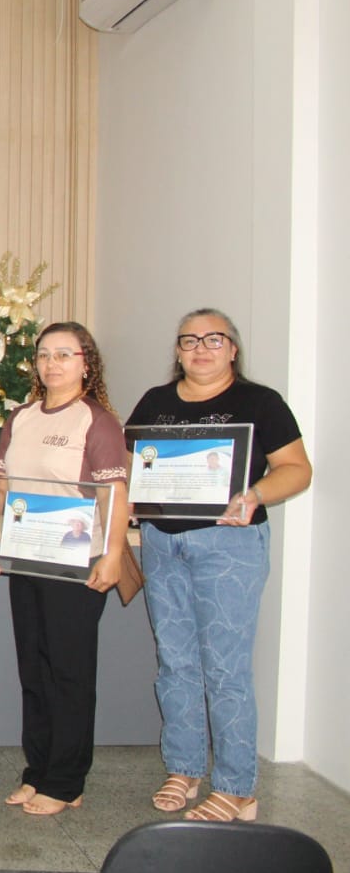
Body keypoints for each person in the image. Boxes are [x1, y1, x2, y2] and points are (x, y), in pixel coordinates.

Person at [129, 309, 311, 823]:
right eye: (189, 340)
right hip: (163, 543)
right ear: (178, 350)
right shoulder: (155, 401)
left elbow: (297, 469)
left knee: (226, 667)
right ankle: (184, 768)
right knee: (175, 660)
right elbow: (134, 466)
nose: (201, 348)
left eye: (214, 339)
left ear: (232, 349)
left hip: (229, 544)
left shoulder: (260, 402)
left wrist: (254, 495)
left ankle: (237, 787)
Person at [0, 321, 129, 816]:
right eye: (43, 354)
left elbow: (115, 493)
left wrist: (112, 554)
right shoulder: (22, 417)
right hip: (27, 557)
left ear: (86, 363)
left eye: (64, 354)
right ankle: (37, 771)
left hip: (76, 564)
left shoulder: (96, 421)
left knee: (68, 673)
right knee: (34, 669)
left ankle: (65, 781)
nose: (51, 363)